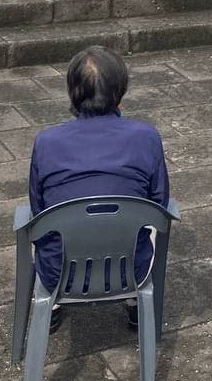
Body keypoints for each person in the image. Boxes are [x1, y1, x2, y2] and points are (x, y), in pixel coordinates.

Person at [28, 46, 169, 329]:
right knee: (146, 221)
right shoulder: (147, 137)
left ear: (72, 92)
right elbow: (160, 203)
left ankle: (52, 305)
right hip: (131, 269)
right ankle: (133, 303)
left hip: (61, 272)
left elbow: (37, 207)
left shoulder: (47, 142)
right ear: (121, 92)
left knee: (47, 225)